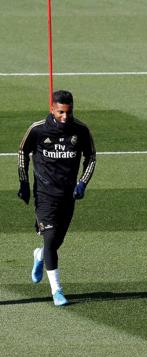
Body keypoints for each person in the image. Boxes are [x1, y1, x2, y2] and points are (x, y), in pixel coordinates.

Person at [17, 90, 96, 306]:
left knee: (55, 242)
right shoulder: (38, 130)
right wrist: (23, 182)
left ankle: (39, 255)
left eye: (68, 112)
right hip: (44, 195)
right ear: (52, 108)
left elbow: (91, 158)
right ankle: (57, 291)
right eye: (60, 112)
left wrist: (82, 183)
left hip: (68, 195)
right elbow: (22, 152)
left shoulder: (80, 130)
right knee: (51, 239)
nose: (65, 117)